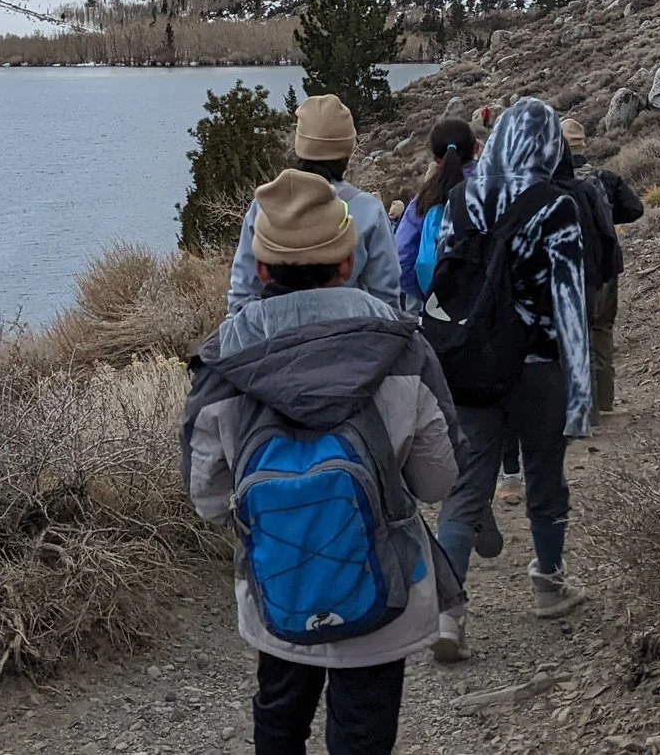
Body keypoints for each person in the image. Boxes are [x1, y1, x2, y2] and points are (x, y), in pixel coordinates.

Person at [183, 170, 461, 755]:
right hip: (386, 594)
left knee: (279, 721)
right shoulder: (403, 347)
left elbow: (208, 498)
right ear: (348, 260)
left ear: (260, 270)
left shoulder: (222, 363)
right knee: (363, 732)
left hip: (278, 594)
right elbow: (438, 479)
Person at [426, 99, 592, 662]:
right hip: (538, 366)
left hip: (470, 362)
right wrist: (582, 394)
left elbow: (446, 280)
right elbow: (570, 303)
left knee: (466, 486)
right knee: (545, 476)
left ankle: (448, 613)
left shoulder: (459, 200)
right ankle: (548, 584)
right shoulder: (557, 207)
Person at [227, 94, 406, 317]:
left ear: (300, 147)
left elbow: (242, 296)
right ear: (348, 152)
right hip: (349, 341)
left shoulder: (265, 206)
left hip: (273, 344)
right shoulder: (369, 211)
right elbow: (386, 297)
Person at [558, 119, 646, 414]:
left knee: (576, 333)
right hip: (608, 266)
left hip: (573, 268)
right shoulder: (604, 179)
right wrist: (605, 222)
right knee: (603, 329)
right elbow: (635, 208)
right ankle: (605, 399)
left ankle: (586, 406)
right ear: (583, 145)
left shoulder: (555, 185)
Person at [392, 118, 477, 312]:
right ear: (476, 148)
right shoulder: (494, 187)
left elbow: (402, 257)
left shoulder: (425, 199)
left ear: (436, 158)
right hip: (492, 305)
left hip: (439, 309)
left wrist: (427, 294)